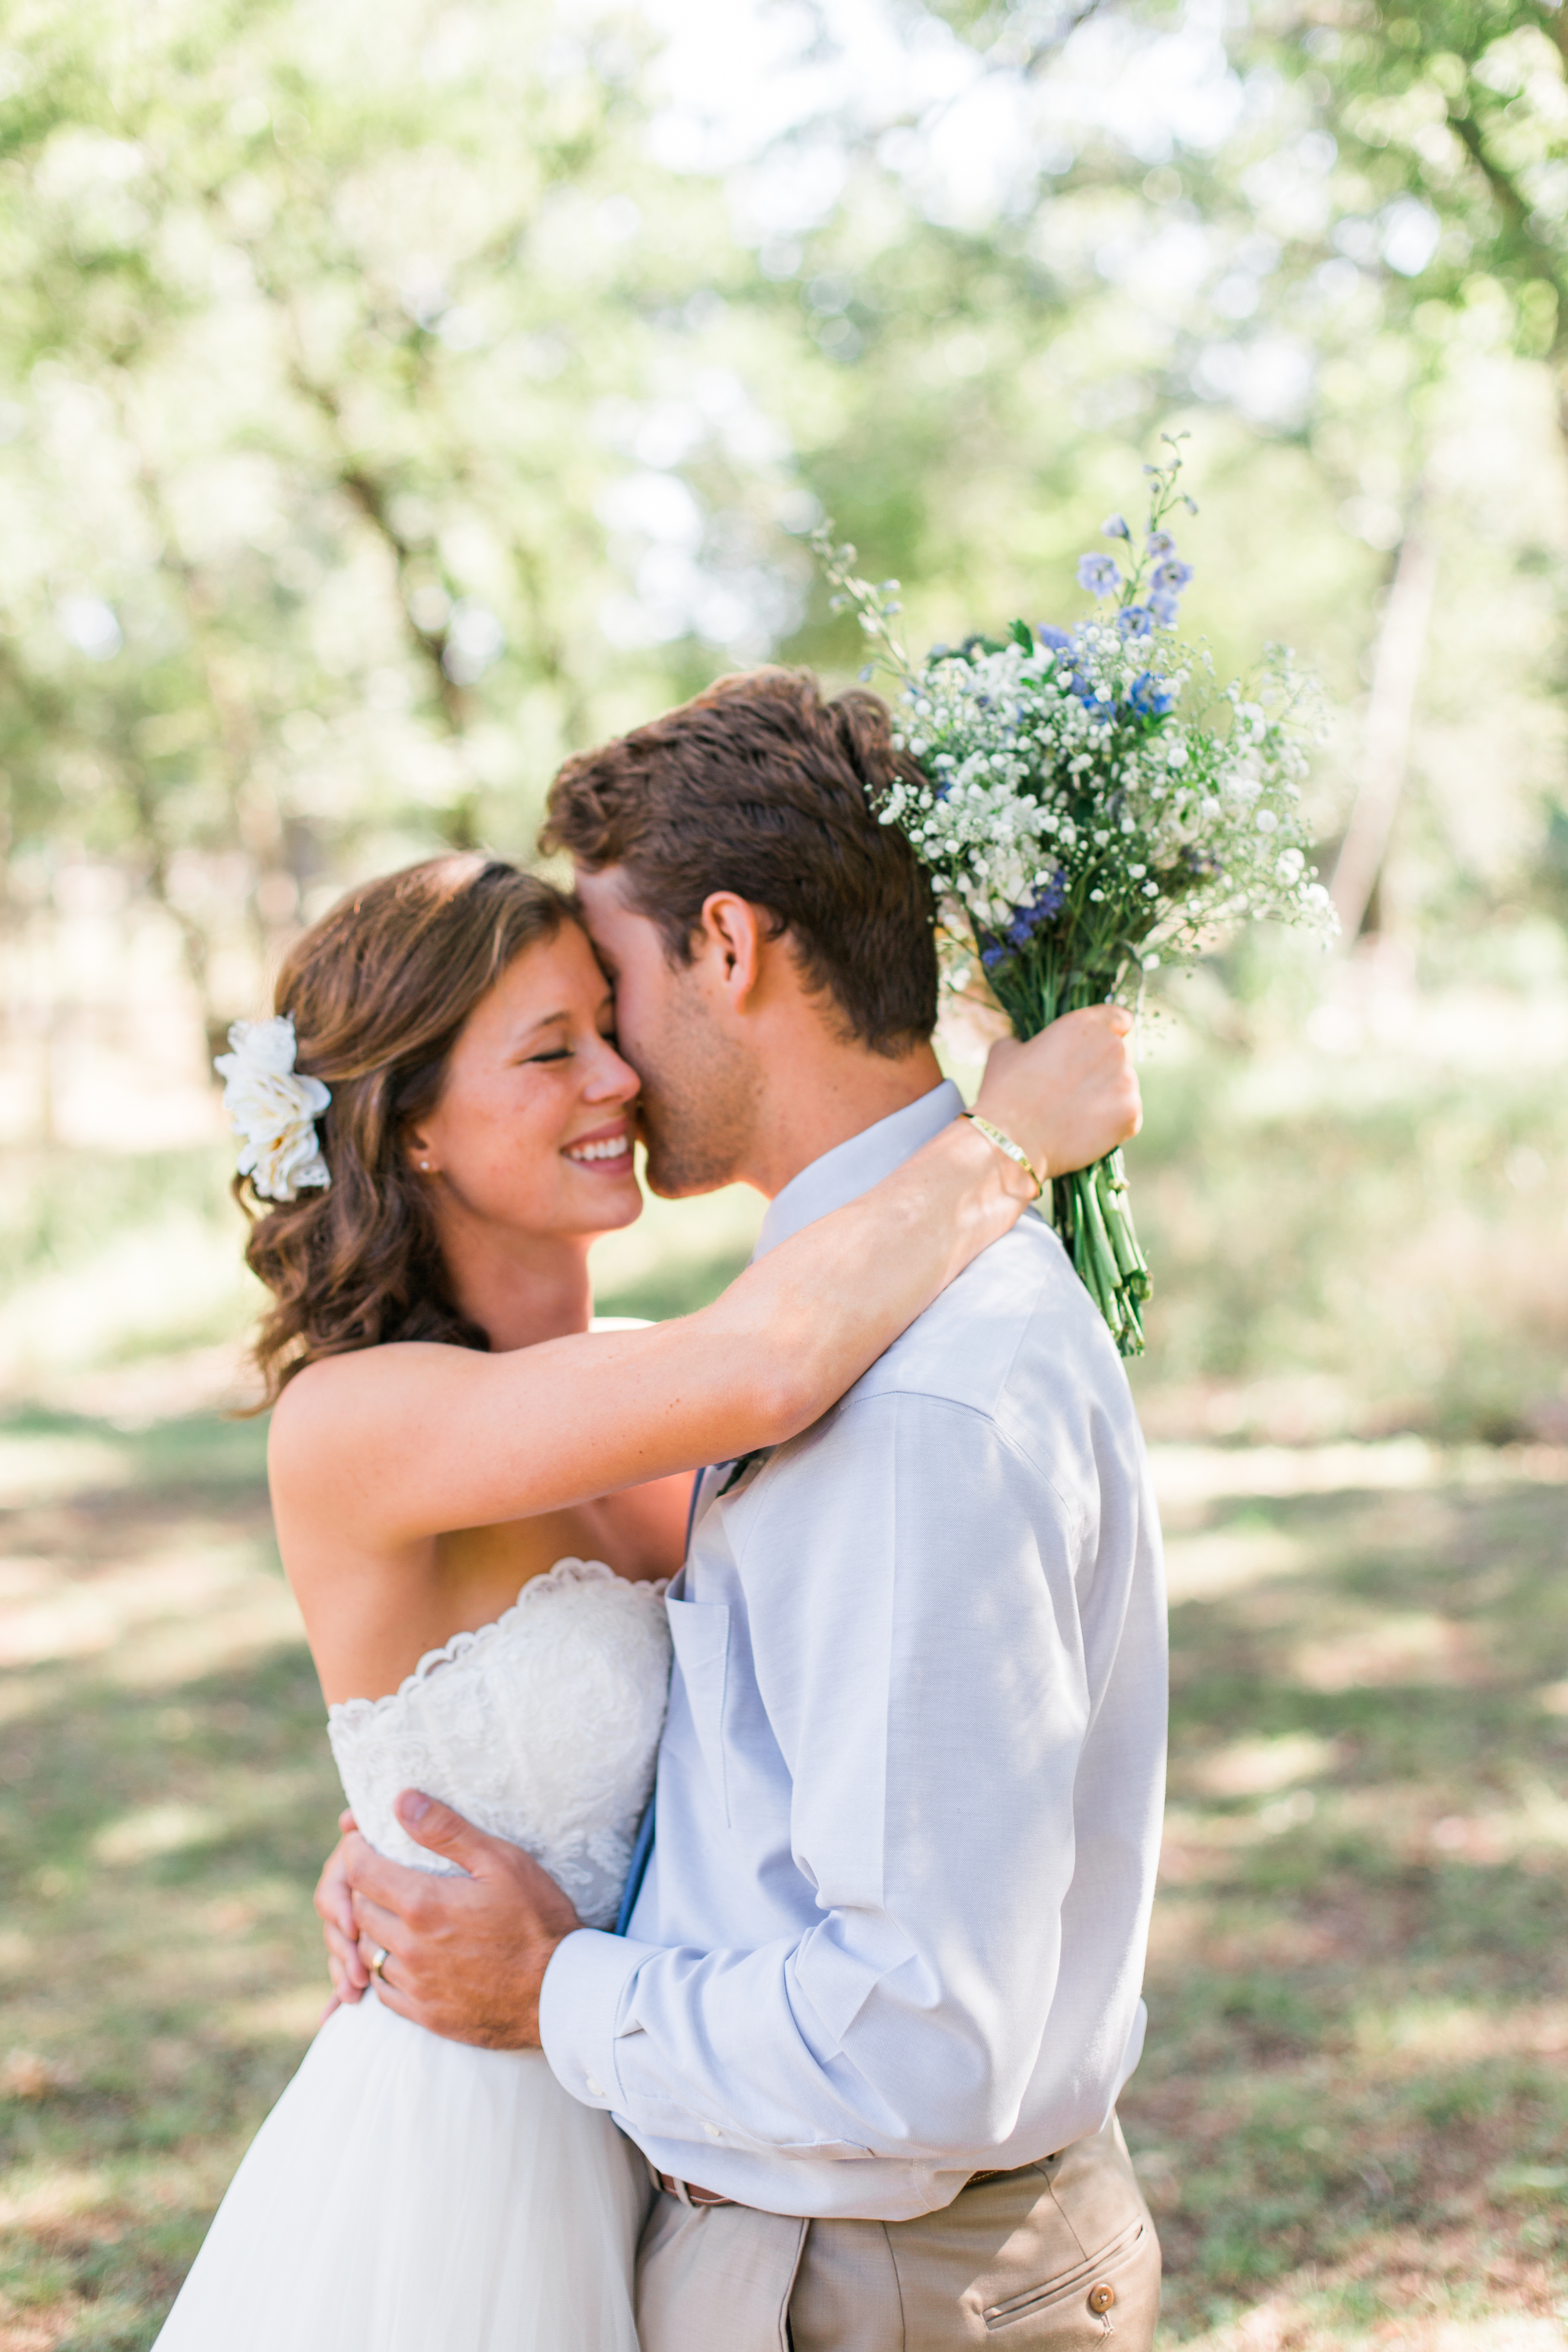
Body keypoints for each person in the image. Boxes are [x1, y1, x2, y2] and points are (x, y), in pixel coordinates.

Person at [153, 813, 1141, 2351]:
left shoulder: (648, 1385)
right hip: (473, 2148)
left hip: (687, 2125)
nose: (618, 1078)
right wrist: (1011, 1137)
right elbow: (770, 1358)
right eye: (550, 1054)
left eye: (608, 1028)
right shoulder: (355, 1419)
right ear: (411, 1125)